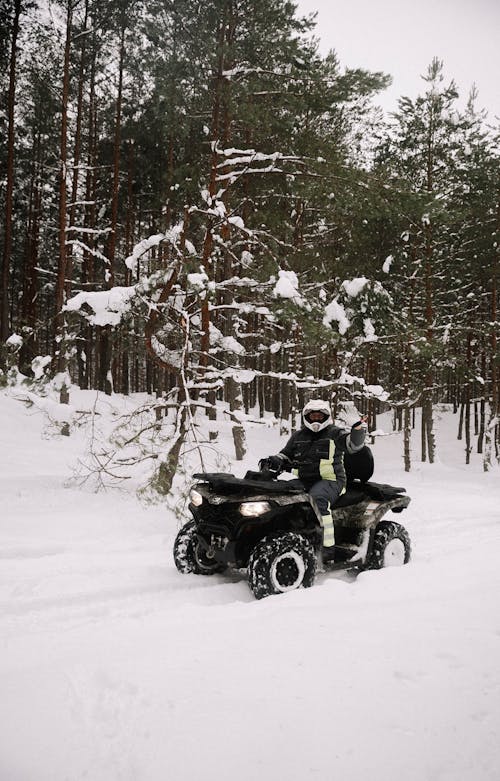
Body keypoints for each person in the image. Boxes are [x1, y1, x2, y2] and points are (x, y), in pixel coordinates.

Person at [261, 399, 367, 563]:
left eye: (320, 416)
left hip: (332, 481)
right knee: (280, 494)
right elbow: (285, 454)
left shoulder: (335, 433)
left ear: (327, 417)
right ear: (306, 417)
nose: (316, 419)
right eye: (313, 416)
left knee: (318, 499)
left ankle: (328, 550)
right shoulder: (298, 436)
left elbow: (353, 445)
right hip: (305, 480)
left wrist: (357, 429)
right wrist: (274, 461)